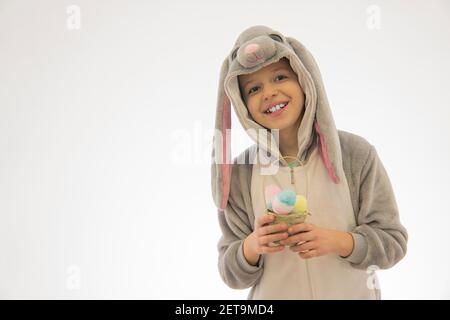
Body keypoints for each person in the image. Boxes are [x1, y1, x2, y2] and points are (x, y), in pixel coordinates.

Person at [211, 25, 408, 299]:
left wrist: (341, 242)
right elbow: (230, 272)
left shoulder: (355, 154)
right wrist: (252, 246)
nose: (269, 92)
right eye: (254, 88)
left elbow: (393, 242)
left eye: (280, 77)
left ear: (304, 79)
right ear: (242, 105)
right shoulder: (239, 174)